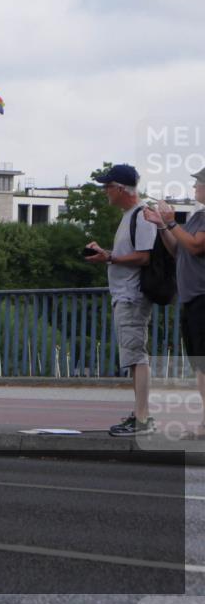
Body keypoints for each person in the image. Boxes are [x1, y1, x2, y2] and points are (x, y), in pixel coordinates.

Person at [84, 164, 156, 436]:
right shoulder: (130, 215)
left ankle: (142, 418)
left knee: (137, 356)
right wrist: (106, 253)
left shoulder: (143, 215)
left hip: (132, 294)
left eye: (108, 186)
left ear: (122, 189)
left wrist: (110, 257)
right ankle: (139, 414)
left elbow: (144, 257)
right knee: (133, 355)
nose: (105, 191)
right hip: (125, 293)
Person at [144, 168, 205, 438]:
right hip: (192, 297)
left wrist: (170, 223)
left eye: (198, 183)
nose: (194, 188)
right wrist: (161, 225)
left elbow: (195, 246)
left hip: (203, 297)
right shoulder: (197, 217)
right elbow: (178, 249)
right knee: (199, 363)